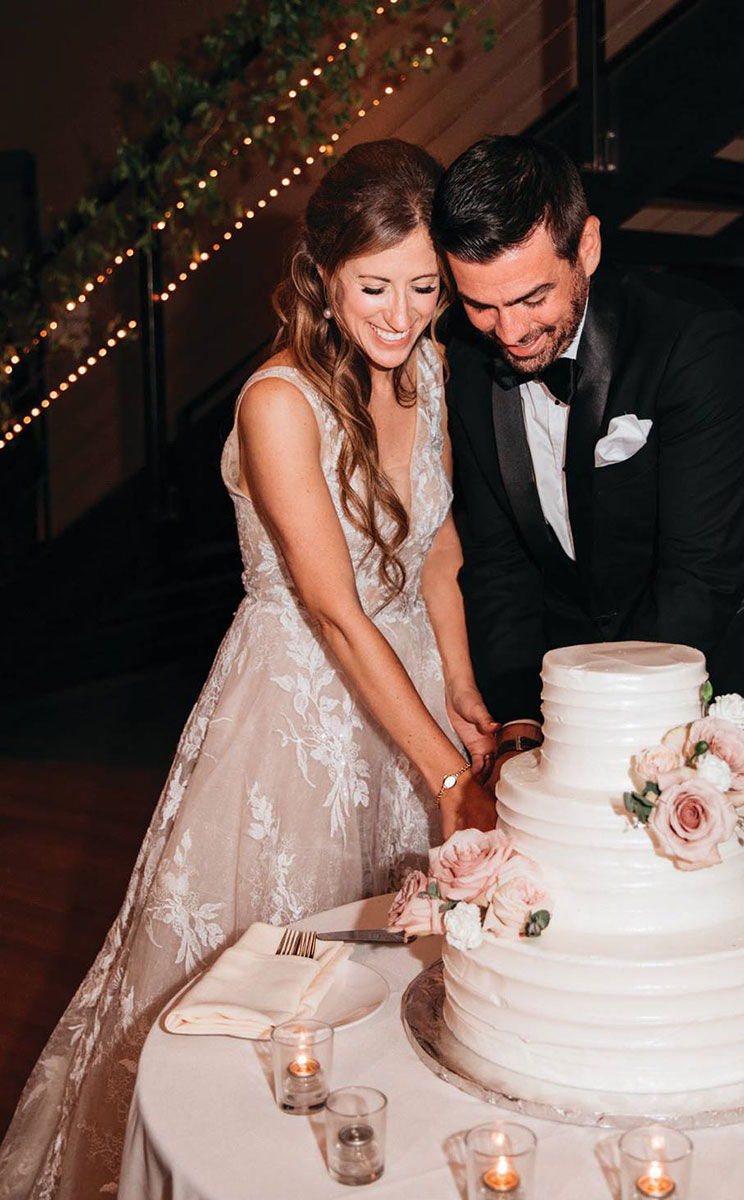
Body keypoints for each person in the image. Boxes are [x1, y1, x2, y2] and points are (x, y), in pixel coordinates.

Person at [0, 139, 496, 1200]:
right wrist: (451, 780)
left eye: (426, 288)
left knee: (414, 981)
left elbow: (441, 554)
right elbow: (332, 607)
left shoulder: (436, 369)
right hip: (303, 709)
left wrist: (460, 696)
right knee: (273, 991)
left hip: (408, 688)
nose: (404, 316)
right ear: (321, 272)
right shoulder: (278, 402)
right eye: (376, 287)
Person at [431, 135, 744, 888]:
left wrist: (598, 740)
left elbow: (700, 578)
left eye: (532, 298)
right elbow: (498, 566)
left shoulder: (696, 343)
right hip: (576, 714)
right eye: (481, 305)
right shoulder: (466, 362)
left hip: (738, 694)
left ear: (585, 246)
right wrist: (525, 724)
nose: (512, 333)